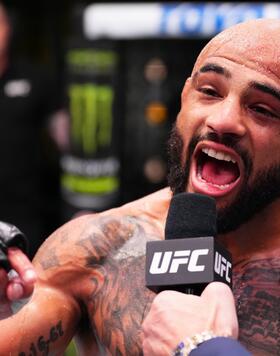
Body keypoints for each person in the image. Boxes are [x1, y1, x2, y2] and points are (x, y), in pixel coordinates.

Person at [0, 17, 279, 356]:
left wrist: (199, 348)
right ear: (182, 102)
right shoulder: (97, 248)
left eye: (262, 109)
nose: (223, 120)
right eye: (209, 91)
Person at [0, 1, 61, 258]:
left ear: (9, 29)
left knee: (23, 291)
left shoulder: (35, 78)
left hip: (25, 215)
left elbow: (67, 140)